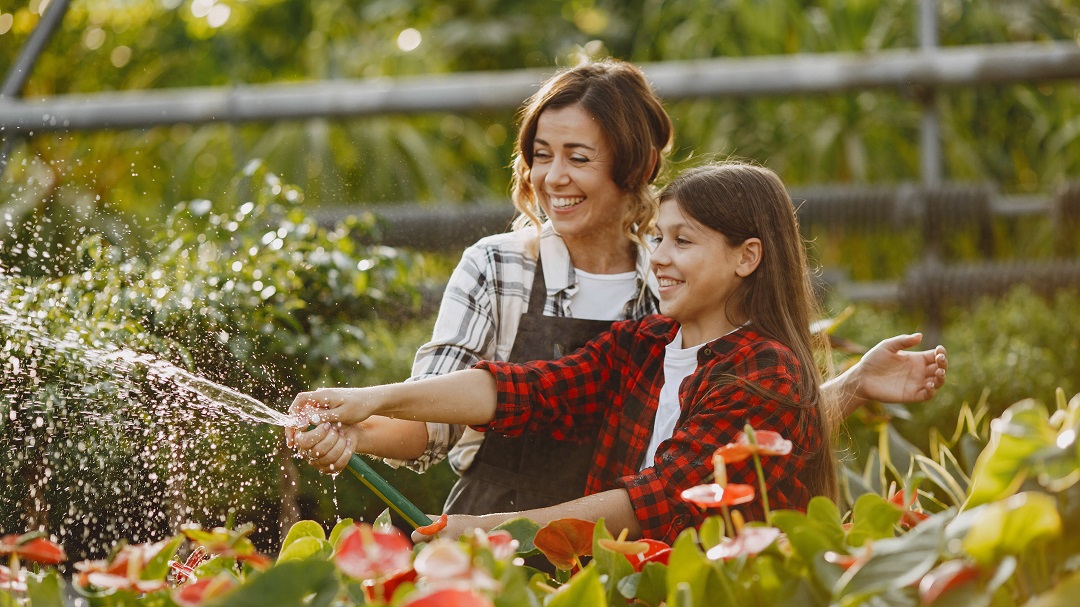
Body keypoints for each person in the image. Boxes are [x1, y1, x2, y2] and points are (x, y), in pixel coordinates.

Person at [287, 58, 947, 517]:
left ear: (634, 164)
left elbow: (721, 442)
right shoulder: (505, 270)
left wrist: (852, 385)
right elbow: (482, 404)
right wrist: (358, 424)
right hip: (506, 526)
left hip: (612, 542)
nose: (553, 177)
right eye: (541, 155)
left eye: (578, 157)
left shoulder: (670, 294)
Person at [290, 161, 839, 543]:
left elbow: (654, 502)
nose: (659, 257)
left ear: (746, 257)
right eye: (658, 237)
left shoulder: (765, 371)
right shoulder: (645, 343)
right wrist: (369, 401)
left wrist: (482, 531)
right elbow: (527, 390)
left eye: (684, 241)